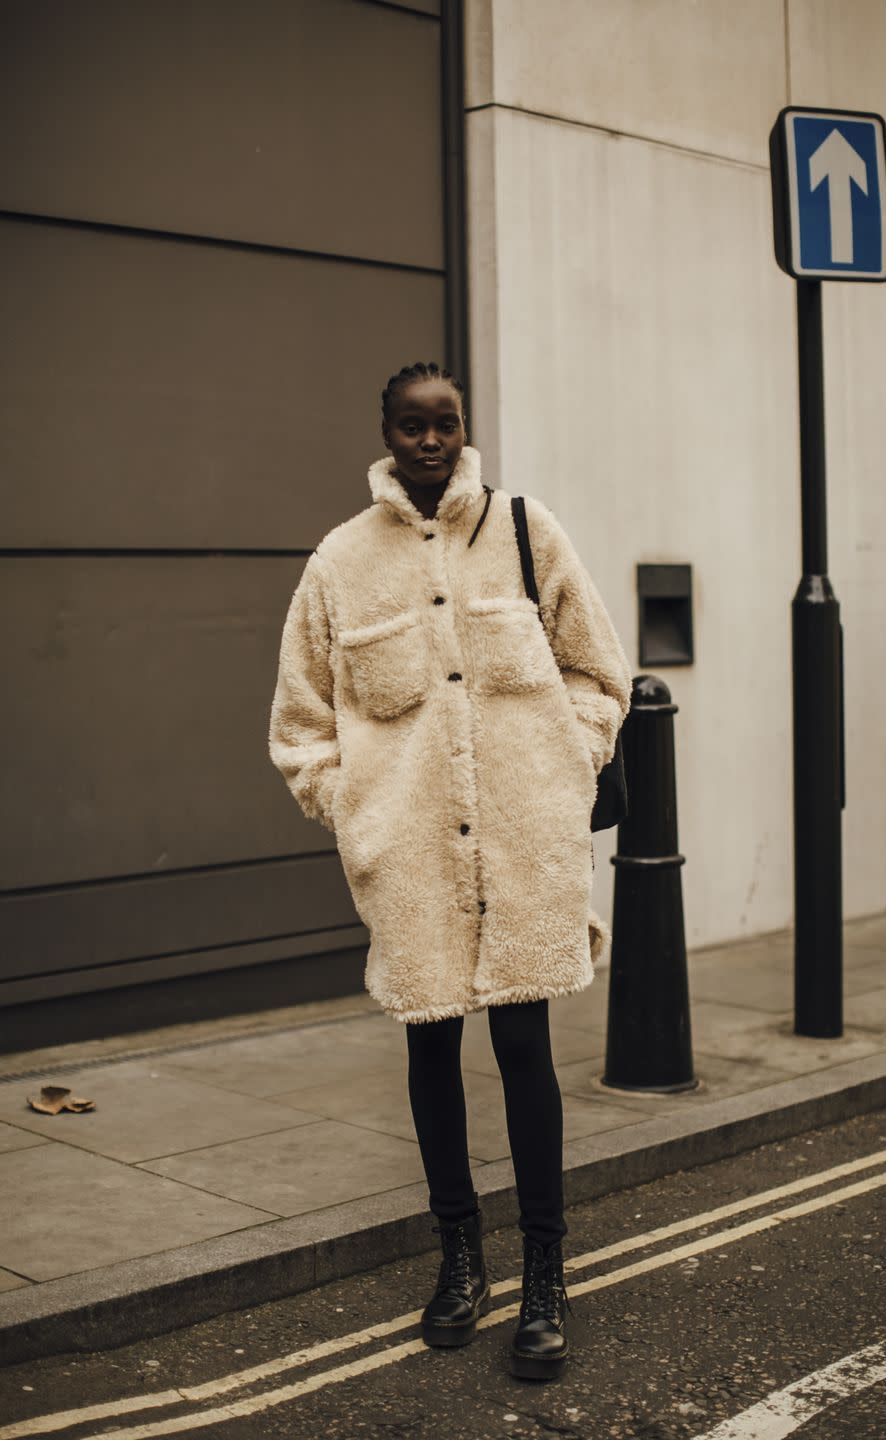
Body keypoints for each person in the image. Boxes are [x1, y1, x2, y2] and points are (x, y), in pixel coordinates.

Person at [268, 361, 632, 1381]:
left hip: (525, 845)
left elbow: (599, 672)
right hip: (413, 857)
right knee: (431, 1059)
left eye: (448, 424)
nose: (431, 440)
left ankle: (546, 1276)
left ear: (465, 431)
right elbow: (301, 722)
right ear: (385, 430)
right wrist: (352, 809)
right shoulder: (341, 562)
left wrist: (571, 761)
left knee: (526, 1052)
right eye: (413, 425)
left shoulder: (525, 529)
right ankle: (460, 1259)